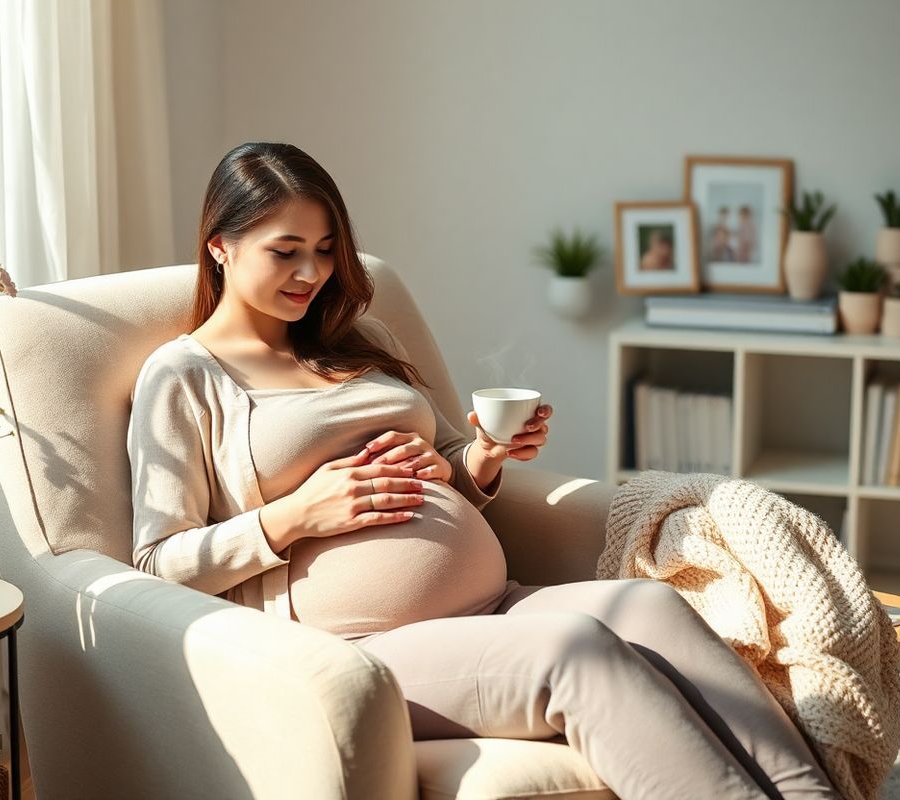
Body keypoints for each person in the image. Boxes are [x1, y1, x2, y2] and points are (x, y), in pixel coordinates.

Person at [126, 142, 840, 800]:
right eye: (285, 252)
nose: (312, 273)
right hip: (355, 654)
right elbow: (156, 565)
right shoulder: (186, 377)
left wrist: (482, 458)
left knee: (651, 606)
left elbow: (443, 470)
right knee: (576, 649)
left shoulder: (354, 340)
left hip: (491, 606)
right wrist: (299, 514)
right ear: (220, 246)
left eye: (323, 249)